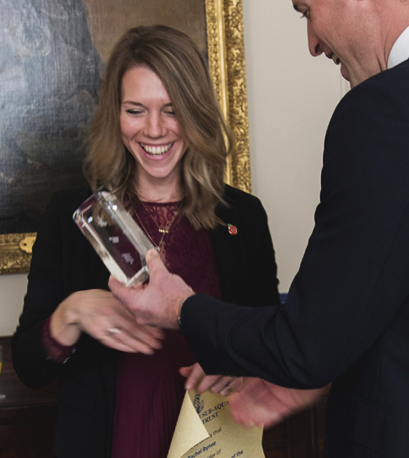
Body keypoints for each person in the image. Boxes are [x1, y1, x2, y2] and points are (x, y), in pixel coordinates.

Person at [110, 0, 409, 458]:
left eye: (306, 10)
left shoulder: (383, 112)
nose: (313, 43)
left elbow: (306, 344)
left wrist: (178, 305)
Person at [12, 24, 280, 458]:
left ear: (196, 113)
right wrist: (72, 312)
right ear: (114, 115)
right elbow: (28, 366)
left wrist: (245, 372)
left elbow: (271, 345)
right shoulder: (72, 215)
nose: (154, 130)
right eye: (136, 110)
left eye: (172, 110)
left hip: (212, 440)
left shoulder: (242, 217)